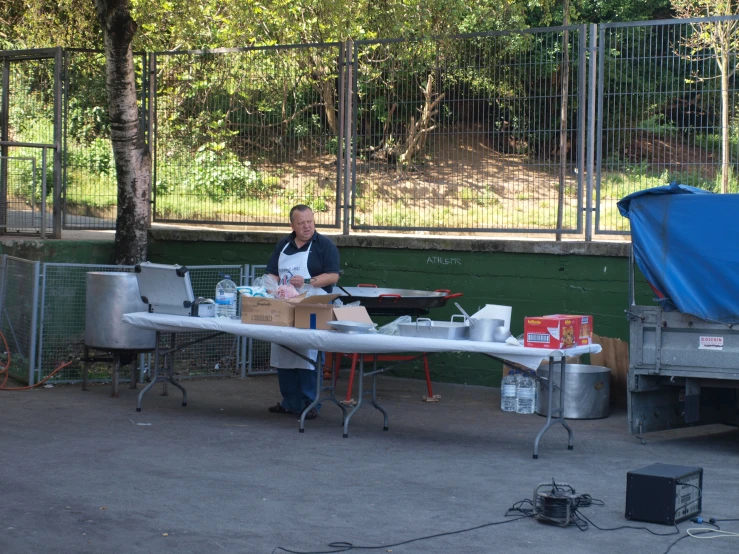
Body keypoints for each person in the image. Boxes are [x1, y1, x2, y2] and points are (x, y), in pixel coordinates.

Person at [265, 205, 340, 419]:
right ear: (292, 225)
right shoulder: (283, 244)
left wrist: (307, 281)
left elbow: (333, 276)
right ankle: (290, 402)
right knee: (284, 352)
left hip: (313, 306)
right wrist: (273, 288)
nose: (307, 226)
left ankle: (310, 403)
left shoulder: (324, 245)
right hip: (285, 306)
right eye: (301, 223)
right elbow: (272, 274)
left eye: (310, 221)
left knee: (308, 353)